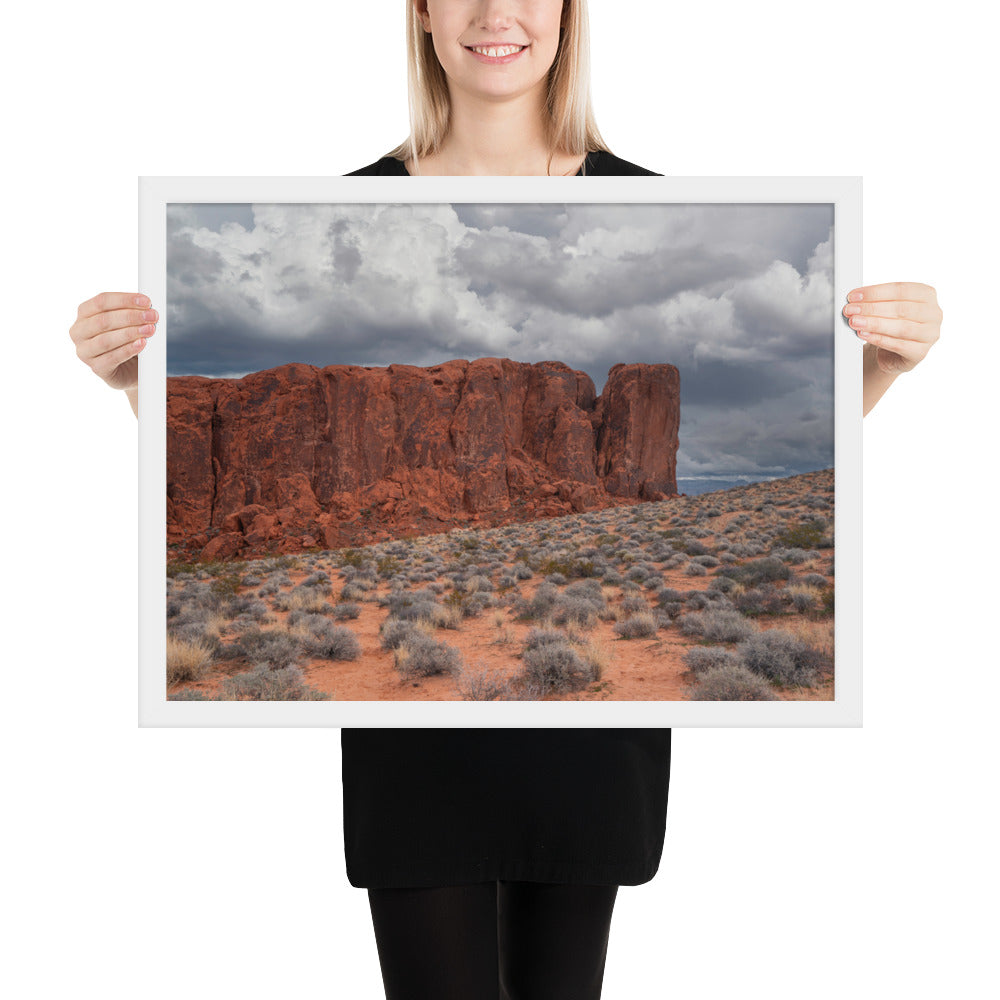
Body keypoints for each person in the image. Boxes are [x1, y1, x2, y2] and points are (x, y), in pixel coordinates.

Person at [68, 2, 942, 998]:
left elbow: (831, 460)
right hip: (417, 769)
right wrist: (137, 388)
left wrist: (879, 371)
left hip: (588, 759)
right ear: (423, 14)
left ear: (569, 15)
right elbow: (193, 494)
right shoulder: (342, 205)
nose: (496, 13)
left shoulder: (651, 202)